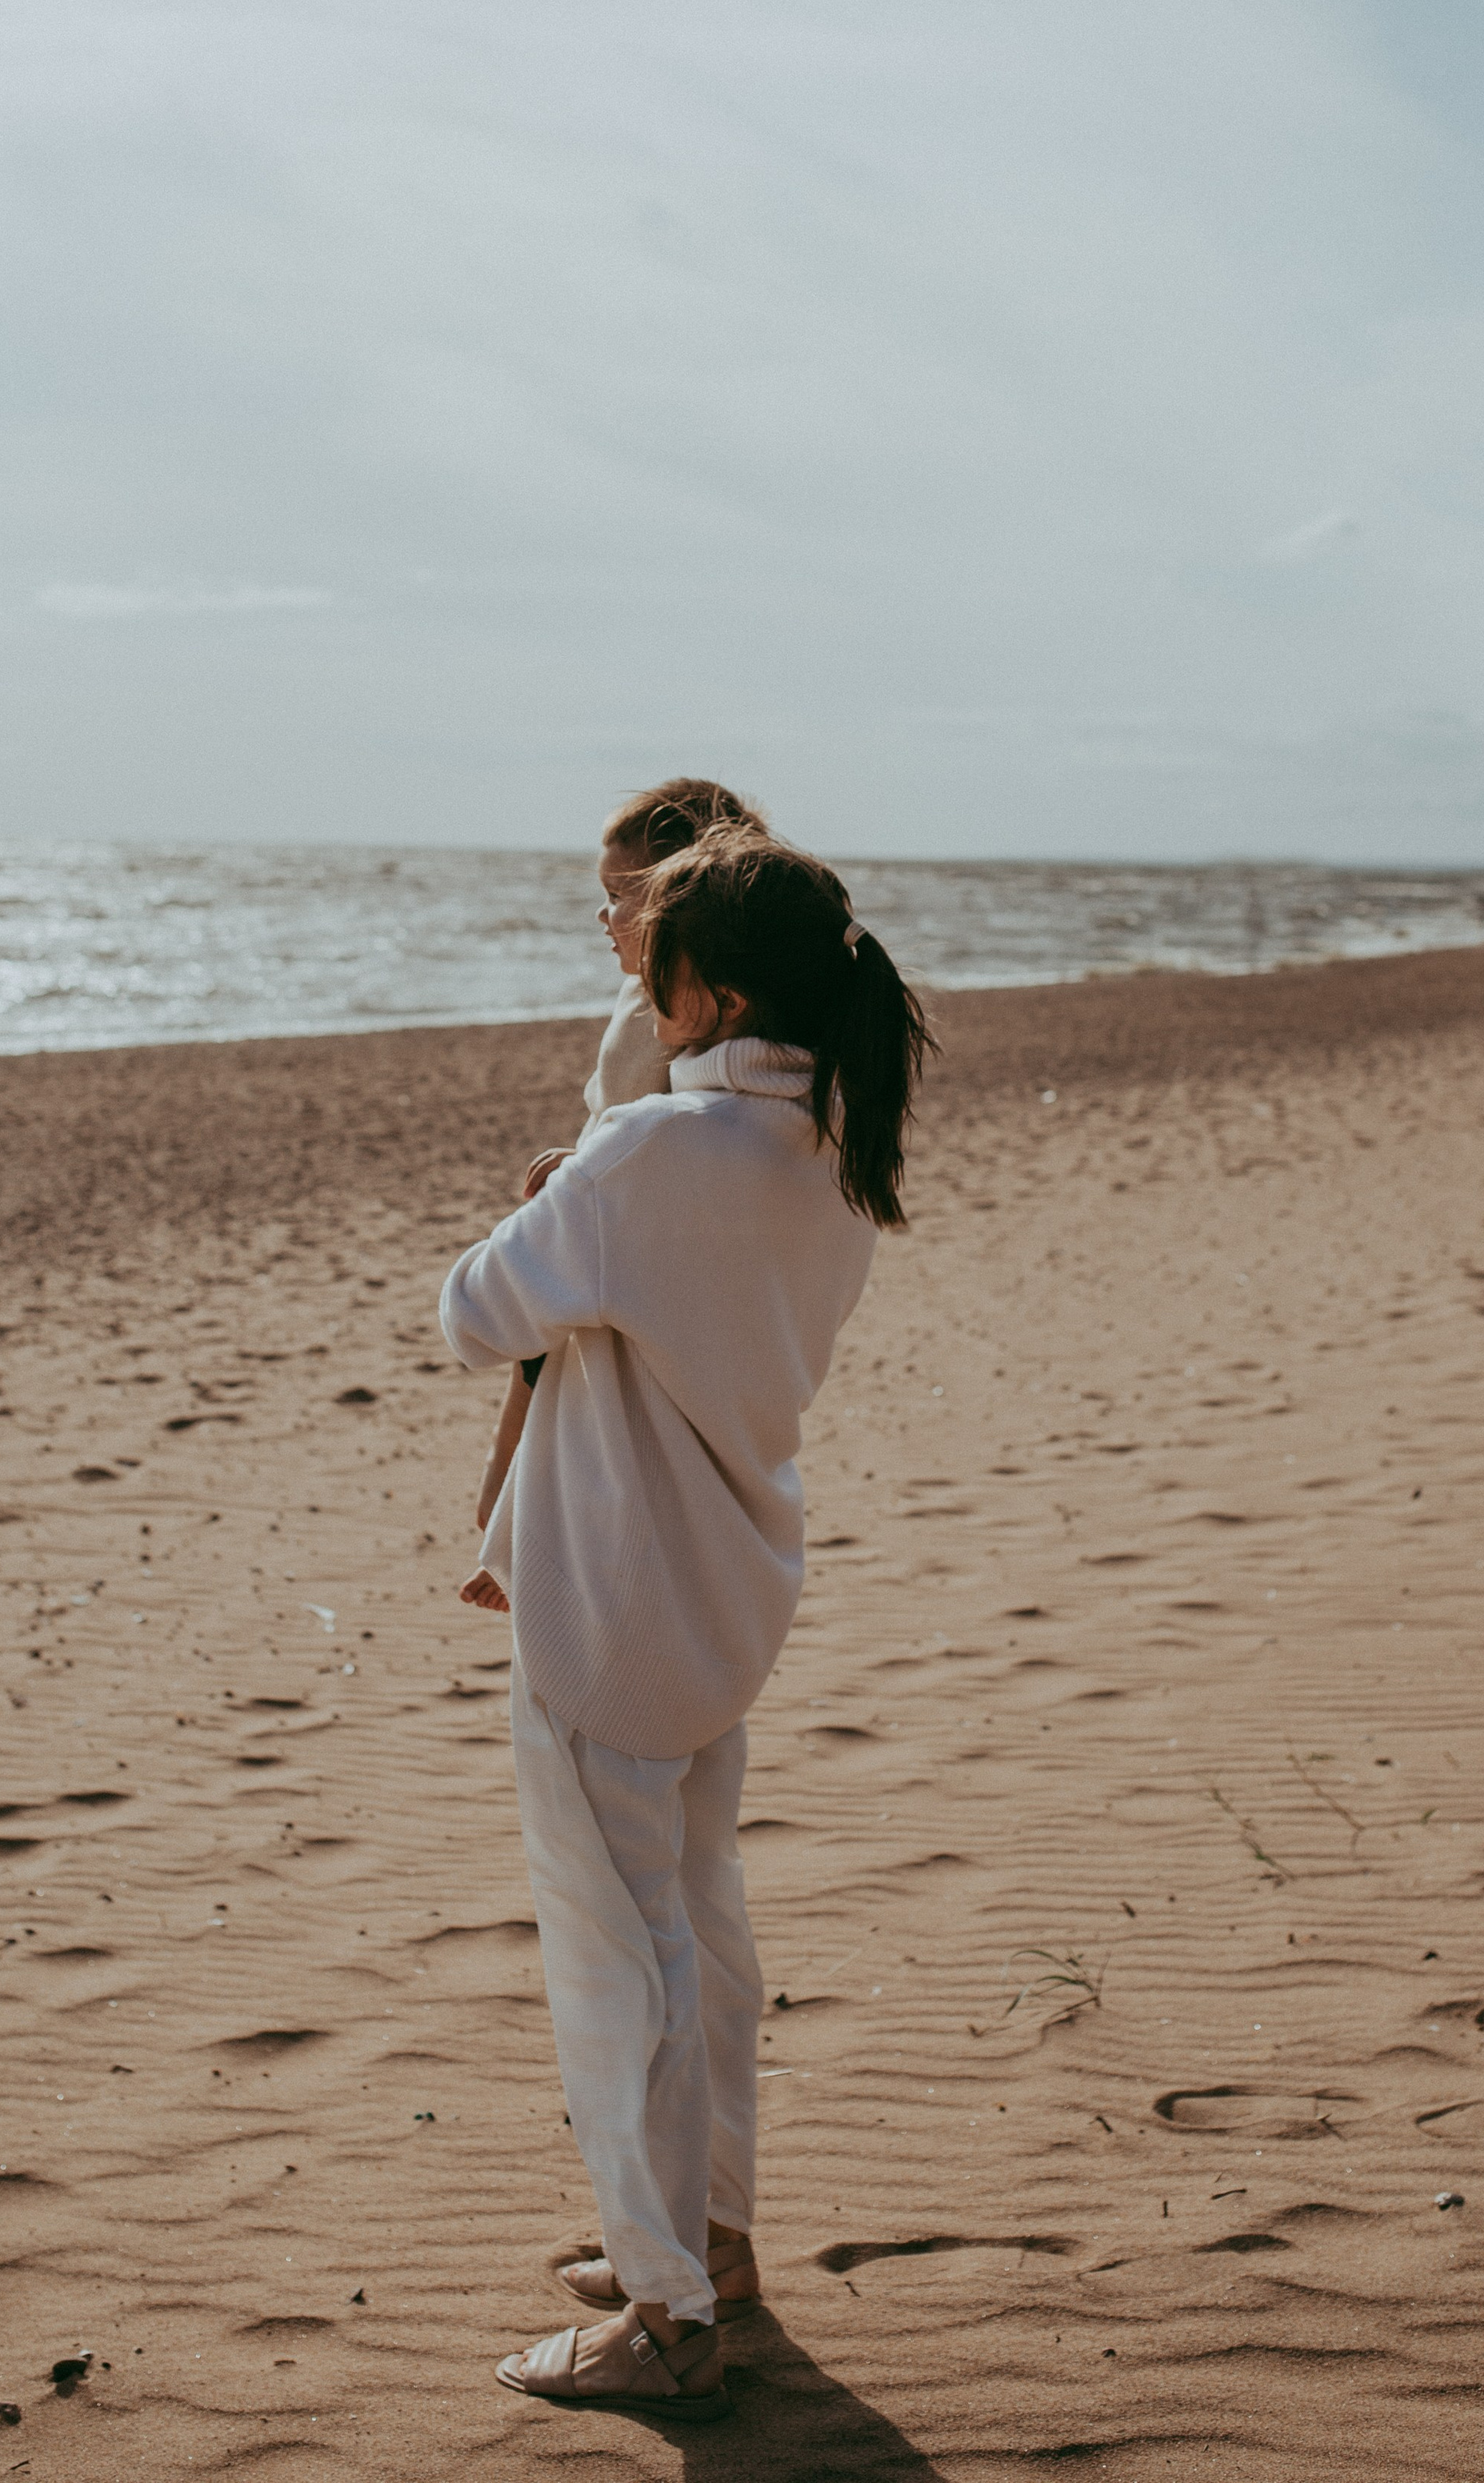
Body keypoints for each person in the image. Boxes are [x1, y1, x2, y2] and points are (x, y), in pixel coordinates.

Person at [441, 827, 934, 2421]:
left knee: (620, 1963)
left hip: (609, 1607)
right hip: (726, 1593)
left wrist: (555, 1200)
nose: (631, 968)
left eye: (649, 947)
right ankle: (706, 2246)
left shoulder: (652, 1152)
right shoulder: (824, 1152)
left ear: (704, 989)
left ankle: (664, 2313)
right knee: (700, 1941)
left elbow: (471, 1313)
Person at [470, 779, 762, 1540]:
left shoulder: (684, 1008)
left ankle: (504, 1524)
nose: (603, 916)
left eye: (618, 896)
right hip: (589, 1195)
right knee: (534, 1368)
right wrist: (578, 1161)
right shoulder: (644, 994)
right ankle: (498, 1519)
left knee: (557, 1375)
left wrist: (592, 1171)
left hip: (619, 1226)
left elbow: (672, 1129)